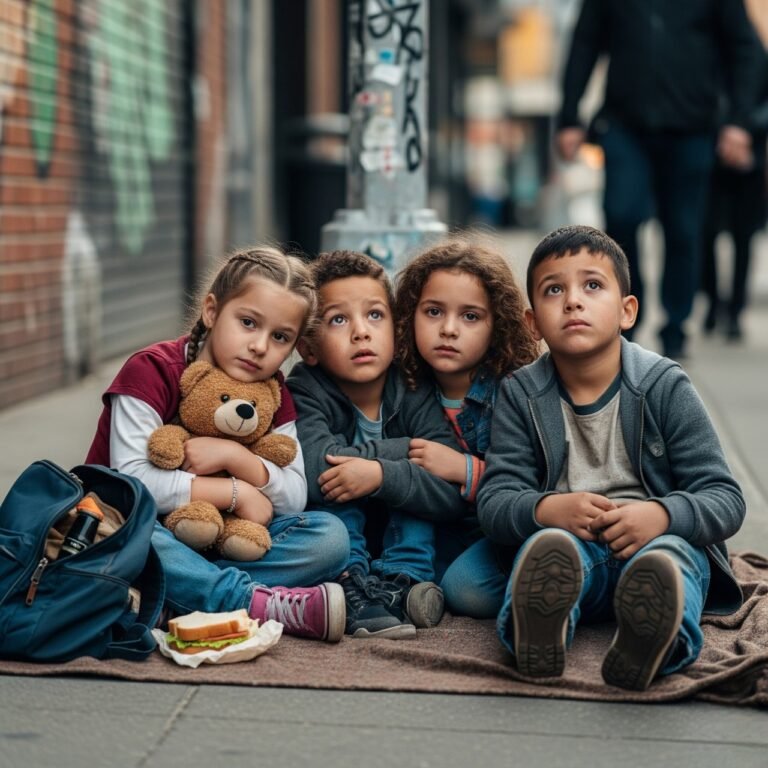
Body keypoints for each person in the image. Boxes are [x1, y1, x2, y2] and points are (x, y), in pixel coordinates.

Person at [477, 225, 745, 690]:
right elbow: (496, 500)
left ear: (627, 311)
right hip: (574, 544)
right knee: (548, 555)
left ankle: (657, 640)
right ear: (533, 322)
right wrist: (545, 509)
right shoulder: (520, 393)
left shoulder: (664, 385)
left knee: (672, 562)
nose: (573, 301)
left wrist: (662, 515)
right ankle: (539, 629)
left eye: (592, 285)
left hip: (657, 543)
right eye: (554, 289)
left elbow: (723, 497)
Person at [86, 246, 349, 642]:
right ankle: (253, 602)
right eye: (247, 322)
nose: (260, 346)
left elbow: (293, 496)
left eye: (280, 337)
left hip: (224, 542)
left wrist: (235, 457)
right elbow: (132, 483)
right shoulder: (152, 370)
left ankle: (174, 597)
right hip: (136, 530)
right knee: (125, 533)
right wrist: (236, 492)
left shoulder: (274, 394)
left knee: (330, 537)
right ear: (212, 311)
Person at [556, 0, 763, 359]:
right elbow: (585, 42)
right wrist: (569, 116)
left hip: (693, 128)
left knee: (682, 229)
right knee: (620, 216)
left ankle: (676, 327)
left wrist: (739, 122)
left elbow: (745, 49)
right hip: (624, 126)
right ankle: (627, 320)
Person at [287, 250, 468, 639]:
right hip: (339, 539)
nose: (361, 332)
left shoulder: (414, 388)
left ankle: (403, 583)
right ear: (309, 348)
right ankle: (352, 586)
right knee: (343, 485)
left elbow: (449, 489)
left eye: (374, 315)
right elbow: (317, 468)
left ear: (396, 330)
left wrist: (382, 475)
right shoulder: (304, 389)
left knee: (410, 486)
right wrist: (399, 452)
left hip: (397, 538)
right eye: (339, 319)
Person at [393, 238, 539, 618]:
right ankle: (409, 586)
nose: (449, 329)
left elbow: (535, 484)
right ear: (410, 314)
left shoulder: (511, 391)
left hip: (499, 531)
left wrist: (464, 469)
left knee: (467, 590)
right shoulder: (405, 385)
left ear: (498, 326)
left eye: (470, 316)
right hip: (440, 527)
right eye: (434, 312)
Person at [702, 44, 768, 341]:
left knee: (744, 237)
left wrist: (745, 135)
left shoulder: (756, 57)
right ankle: (713, 303)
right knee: (706, 235)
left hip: (749, 162)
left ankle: (735, 310)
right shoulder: (707, 53)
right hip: (709, 160)